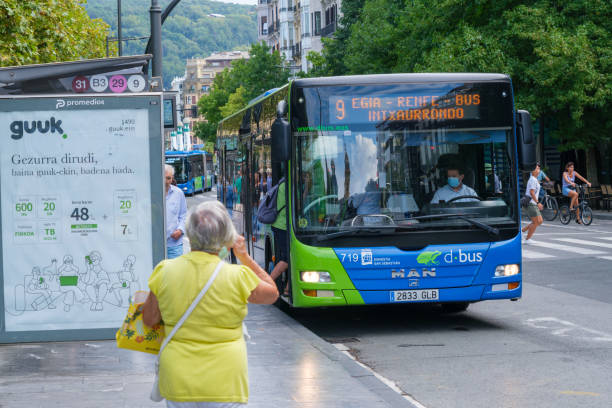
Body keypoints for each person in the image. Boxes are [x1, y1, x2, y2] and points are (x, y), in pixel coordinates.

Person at [143, 201, 278, 406]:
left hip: (178, 376)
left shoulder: (165, 271)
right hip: (225, 379)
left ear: (189, 233)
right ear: (226, 237)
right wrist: (244, 256)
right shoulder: (238, 276)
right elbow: (272, 294)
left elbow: (149, 319)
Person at [269, 178, 288, 294]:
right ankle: (266, 282)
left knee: (289, 257)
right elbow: (296, 203)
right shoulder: (287, 185)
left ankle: (288, 289)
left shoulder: (281, 183)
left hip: (279, 225)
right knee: (287, 259)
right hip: (283, 225)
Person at [165, 164, 187, 259]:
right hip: (156, 246)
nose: (166, 181)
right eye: (164, 178)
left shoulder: (178, 193)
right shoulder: (152, 193)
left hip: (174, 245)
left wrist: (180, 230)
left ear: (172, 178)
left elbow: (184, 215)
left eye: (168, 178)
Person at [522, 163, 544, 243]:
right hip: (531, 203)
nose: (538, 170)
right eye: (536, 169)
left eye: (539, 169)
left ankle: (522, 231)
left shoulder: (535, 179)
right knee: (536, 222)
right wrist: (538, 202)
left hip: (533, 203)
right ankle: (527, 239)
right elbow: (532, 192)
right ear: (532, 171)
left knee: (539, 221)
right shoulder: (532, 179)